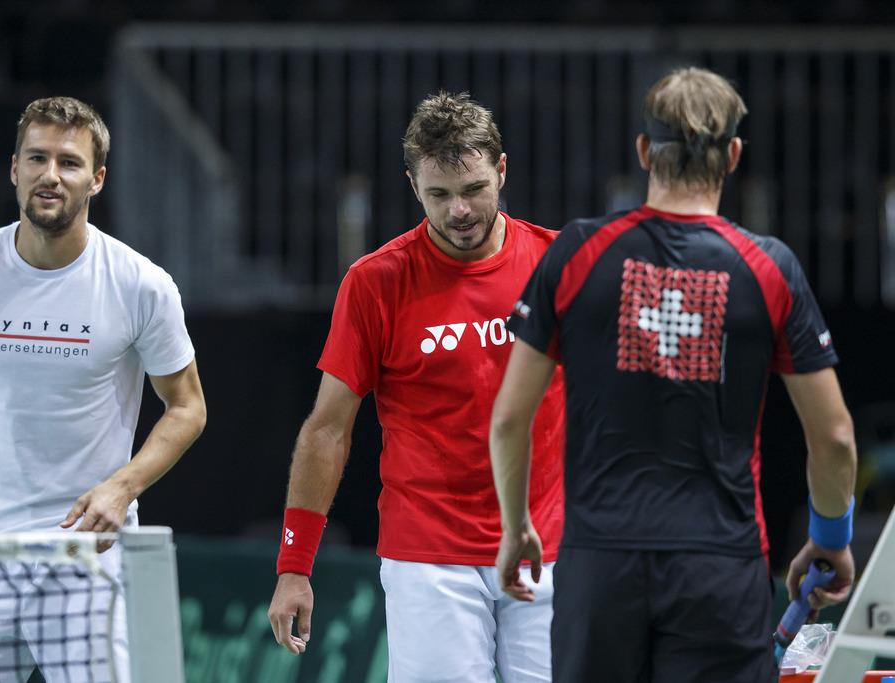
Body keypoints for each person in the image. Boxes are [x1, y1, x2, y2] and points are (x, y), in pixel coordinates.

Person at [489, 66, 858, 683]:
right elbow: (837, 438)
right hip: (719, 568)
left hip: (598, 565)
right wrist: (830, 538)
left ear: (642, 151)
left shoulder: (577, 252)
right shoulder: (769, 267)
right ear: (734, 155)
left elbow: (508, 417)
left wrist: (515, 526)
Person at [266, 91, 565, 682]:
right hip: (427, 556)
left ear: (502, 171)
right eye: (439, 194)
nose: (459, 210)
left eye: (474, 189)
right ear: (412, 186)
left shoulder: (559, 265)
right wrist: (295, 565)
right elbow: (328, 429)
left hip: (550, 550)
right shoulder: (374, 282)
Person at [0, 96, 207, 681]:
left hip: (84, 558)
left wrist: (122, 487)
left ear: (96, 179)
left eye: (69, 163)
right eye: (37, 158)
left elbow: (187, 406)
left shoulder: (141, 285)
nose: (50, 175)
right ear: (14, 169)